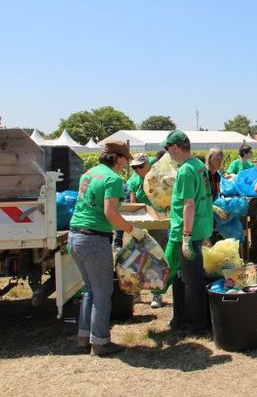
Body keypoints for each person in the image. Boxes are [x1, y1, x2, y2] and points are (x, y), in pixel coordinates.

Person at [68, 141, 146, 356]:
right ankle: (100, 343)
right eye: (125, 160)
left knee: (89, 290)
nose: (126, 165)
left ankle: (84, 337)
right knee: (103, 292)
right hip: (94, 239)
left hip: (75, 236)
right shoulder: (113, 179)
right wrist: (133, 229)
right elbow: (110, 213)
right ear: (118, 158)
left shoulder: (89, 173)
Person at [162, 130, 213, 335]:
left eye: (168, 149)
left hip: (188, 232)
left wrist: (186, 236)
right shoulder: (199, 166)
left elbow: (189, 204)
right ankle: (180, 317)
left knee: (193, 280)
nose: (168, 153)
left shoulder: (184, 171)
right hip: (198, 228)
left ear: (175, 147)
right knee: (180, 276)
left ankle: (198, 325)